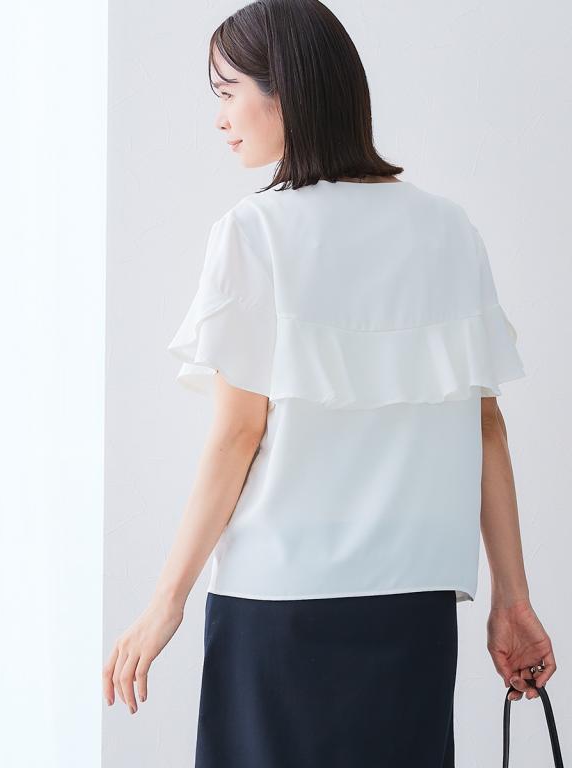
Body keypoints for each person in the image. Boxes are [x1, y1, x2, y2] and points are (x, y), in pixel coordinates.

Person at [102, 1, 558, 765]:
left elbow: (237, 434)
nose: (219, 118)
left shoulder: (255, 232)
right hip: (412, 611)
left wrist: (164, 605)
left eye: (227, 92)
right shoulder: (449, 230)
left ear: (284, 92)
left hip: (277, 608)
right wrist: (513, 601)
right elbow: (486, 426)